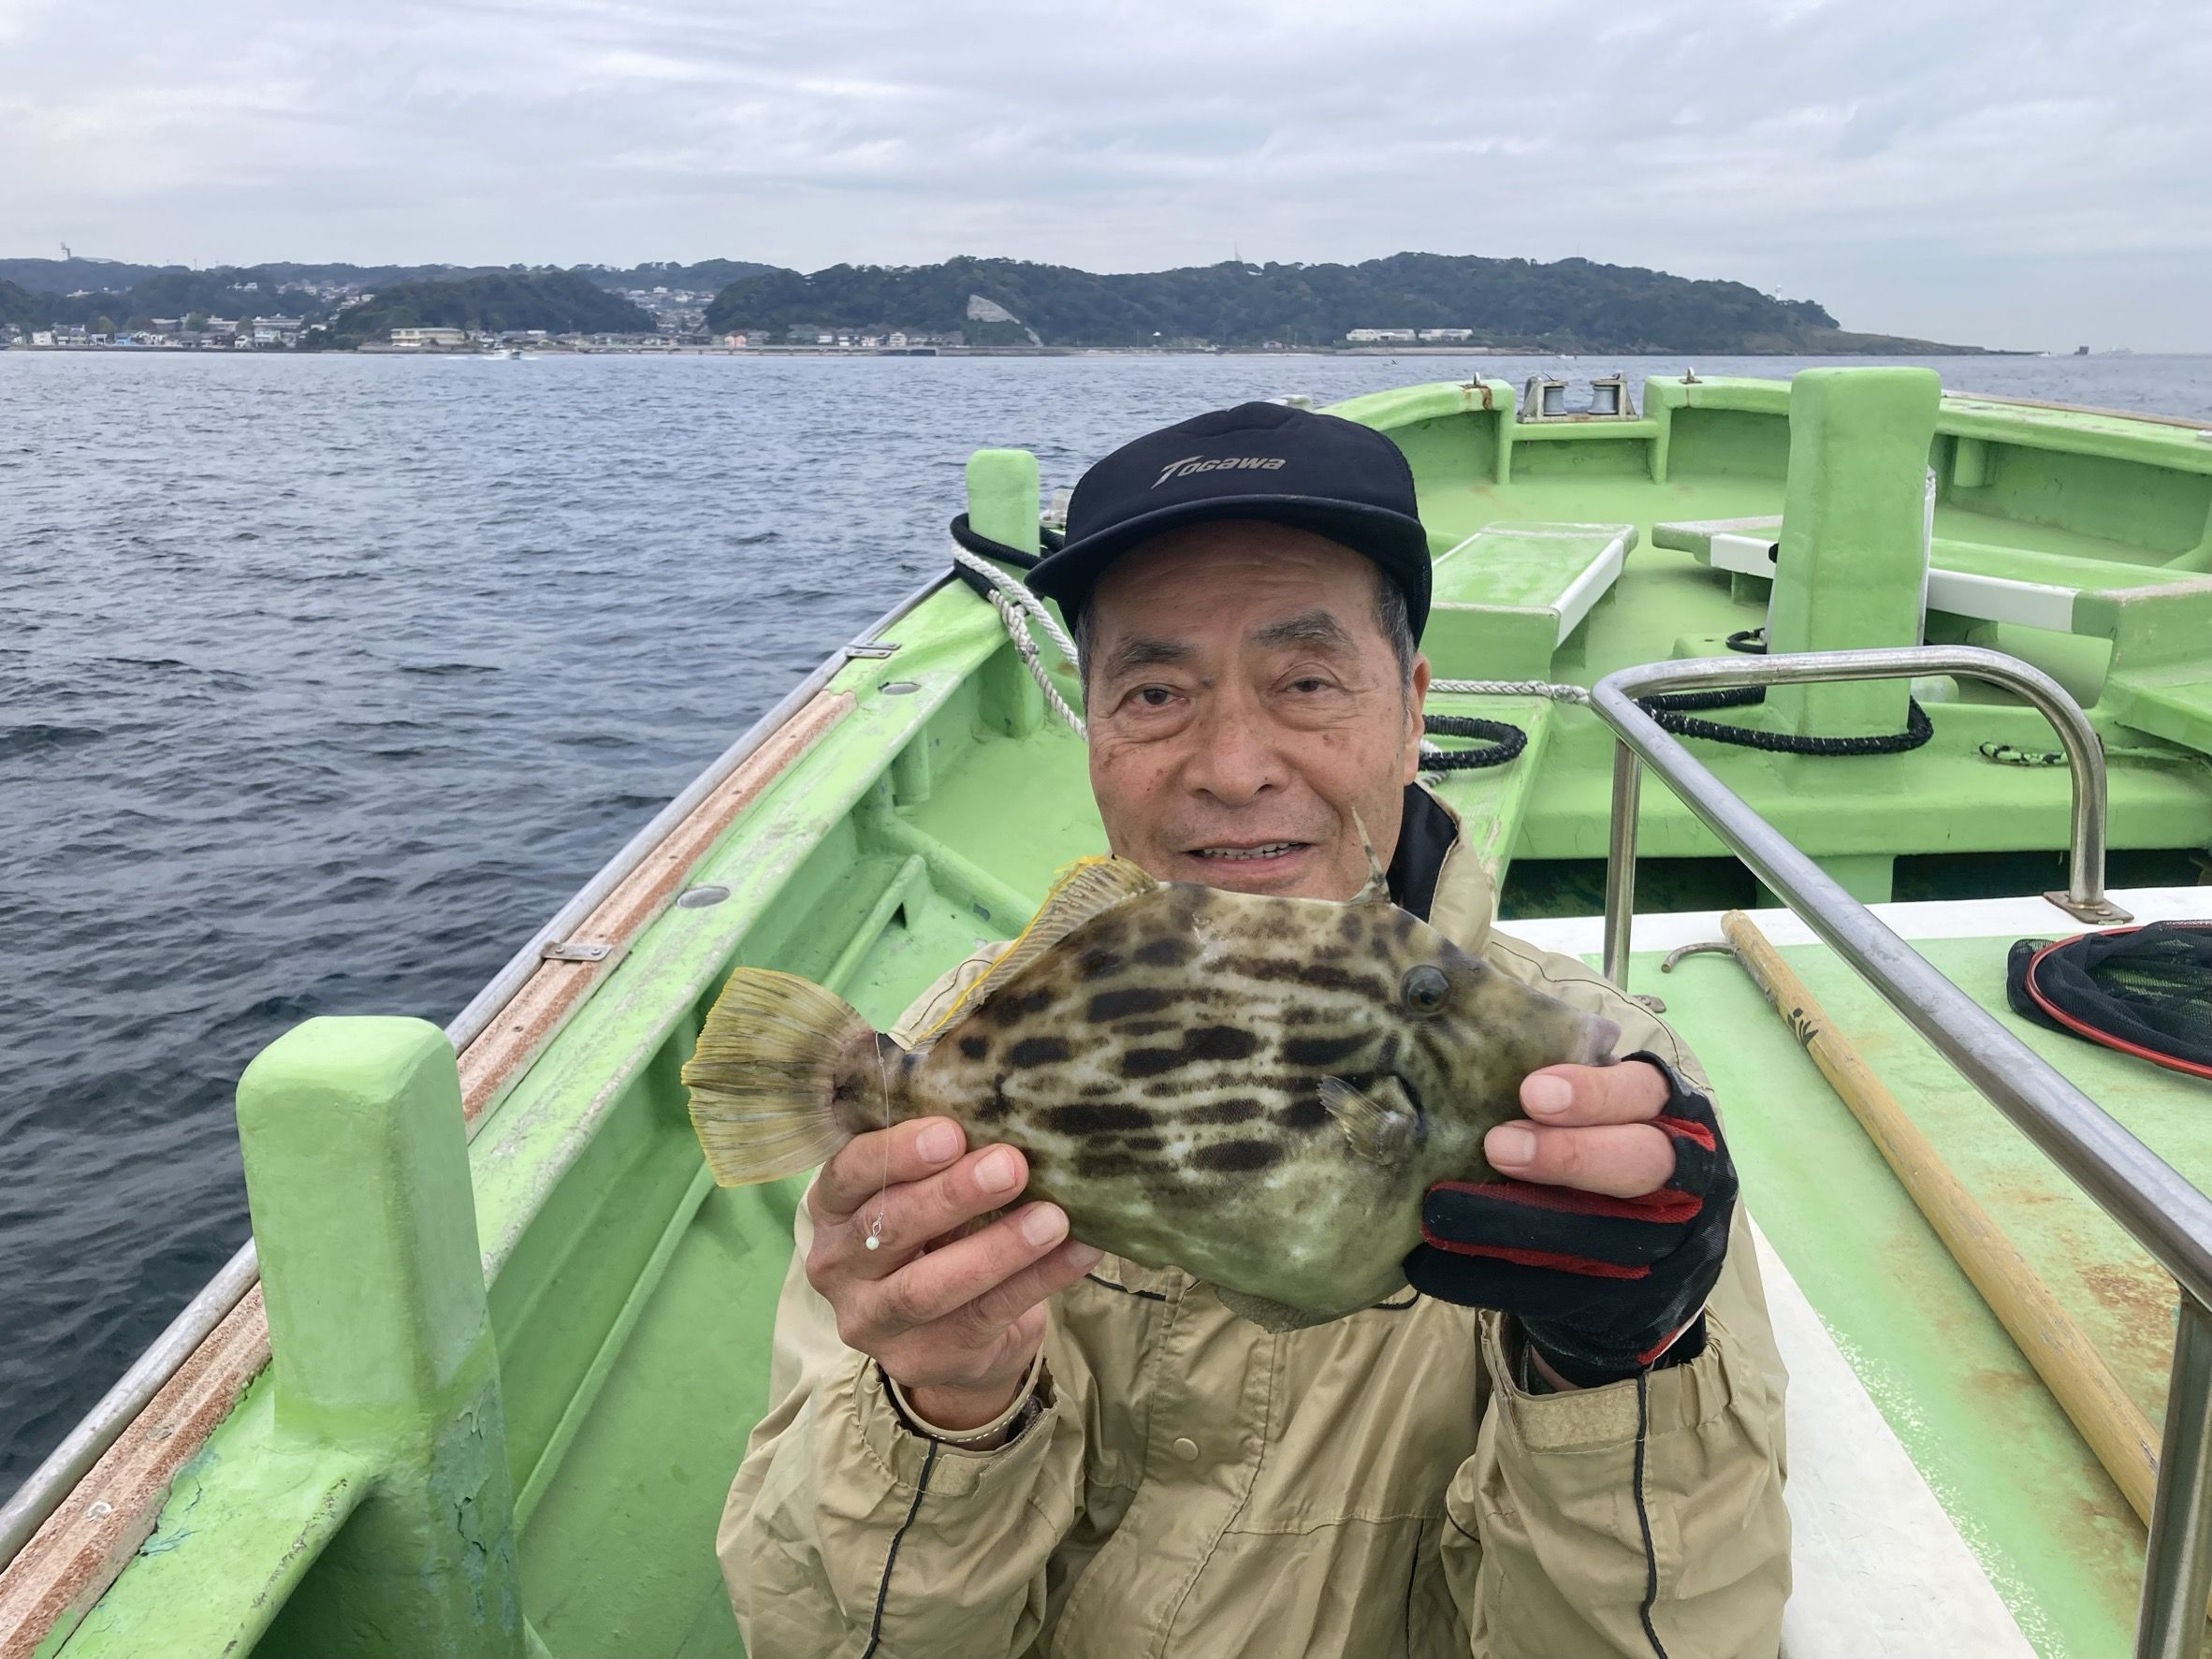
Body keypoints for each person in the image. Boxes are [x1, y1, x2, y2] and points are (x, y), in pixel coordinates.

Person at [720, 402, 1790, 1657]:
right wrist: (944, 1401)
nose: (1233, 767)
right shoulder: (953, 1046)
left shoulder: (1604, 1095)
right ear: (1094, 733)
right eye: (1155, 691)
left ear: (1412, 711)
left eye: (1308, 683)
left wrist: (1616, 1372)